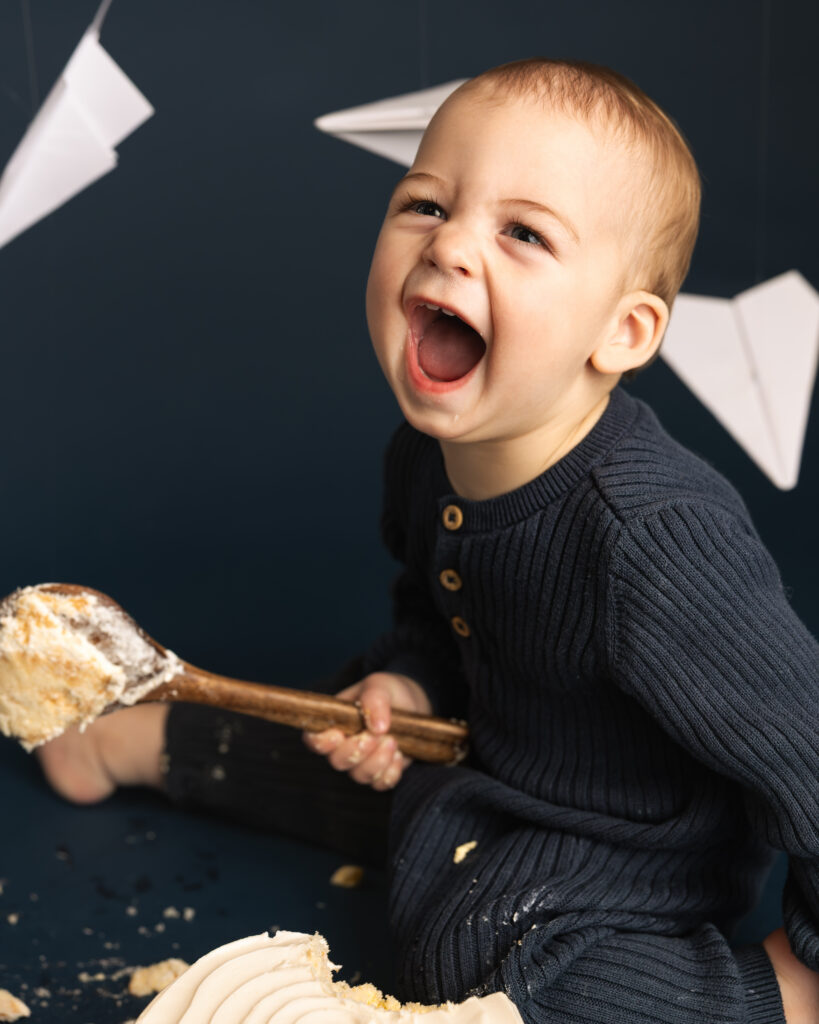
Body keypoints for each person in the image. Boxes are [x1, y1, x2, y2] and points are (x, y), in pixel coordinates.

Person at [36, 59, 818, 1023]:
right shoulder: (428, 454)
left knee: (470, 947)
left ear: (621, 332)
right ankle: (137, 739)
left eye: (522, 233)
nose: (449, 247)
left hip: (619, 845)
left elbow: (807, 750)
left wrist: (806, 946)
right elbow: (435, 611)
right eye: (425, 204)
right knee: (341, 742)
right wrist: (408, 684)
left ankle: (774, 995)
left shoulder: (654, 541)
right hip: (477, 760)